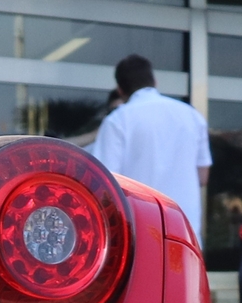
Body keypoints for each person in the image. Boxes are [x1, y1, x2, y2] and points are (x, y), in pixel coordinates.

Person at [89, 54, 211, 244]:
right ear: (154, 81)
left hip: (140, 235)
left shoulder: (118, 120)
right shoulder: (192, 116)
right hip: (186, 235)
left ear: (120, 90)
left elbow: (106, 183)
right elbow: (203, 177)